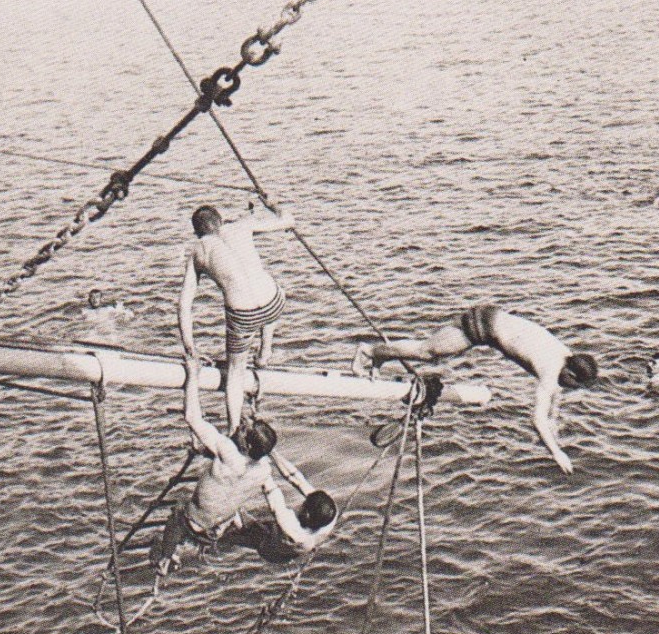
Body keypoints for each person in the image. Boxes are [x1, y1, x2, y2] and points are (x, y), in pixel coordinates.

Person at [352, 306, 597, 474]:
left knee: (431, 354)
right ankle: (370, 351)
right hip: (481, 326)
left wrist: (554, 420)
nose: (572, 389)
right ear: (570, 374)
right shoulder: (550, 370)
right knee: (428, 352)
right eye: (575, 385)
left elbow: (555, 395)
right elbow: (536, 419)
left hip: (492, 319)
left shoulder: (565, 356)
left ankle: (380, 357)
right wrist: (557, 453)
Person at [151, 355, 336, 575]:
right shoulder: (265, 471)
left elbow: (192, 417)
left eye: (244, 430)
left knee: (178, 512)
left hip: (260, 545)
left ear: (247, 444)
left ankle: (165, 558)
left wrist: (193, 373)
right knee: (233, 500)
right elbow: (292, 477)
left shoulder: (288, 524)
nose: (239, 427)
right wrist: (265, 445)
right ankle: (219, 532)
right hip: (217, 529)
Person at [178, 203, 295, 435]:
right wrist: (270, 202)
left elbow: (184, 304)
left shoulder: (198, 251)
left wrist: (190, 347)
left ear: (196, 233)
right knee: (274, 288)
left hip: (244, 316)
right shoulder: (241, 226)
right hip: (274, 304)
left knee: (235, 373)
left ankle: (233, 431)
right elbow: (288, 220)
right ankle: (265, 350)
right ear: (220, 222)